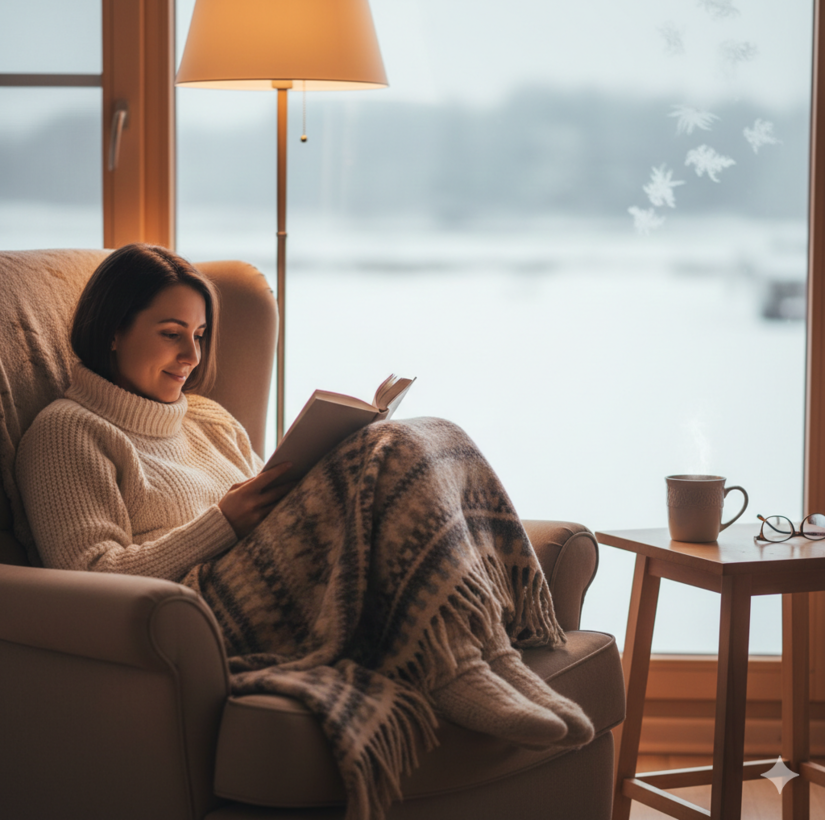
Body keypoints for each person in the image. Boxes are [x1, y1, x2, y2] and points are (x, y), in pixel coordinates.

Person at [16, 243, 593, 820]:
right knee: (392, 448)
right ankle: (454, 668)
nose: (190, 355)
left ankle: (490, 652)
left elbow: (278, 519)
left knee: (434, 434)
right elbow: (90, 577)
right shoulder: (68, 432)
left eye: (199, 335)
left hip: (274, 582)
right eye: (172, 333)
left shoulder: (210, 421)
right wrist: (222, 522)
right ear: (112, 331)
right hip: (204, 613)